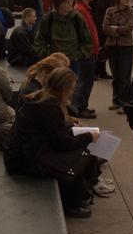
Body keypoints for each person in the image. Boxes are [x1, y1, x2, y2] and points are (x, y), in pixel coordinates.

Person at [11, 68, 100, 218]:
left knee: (80, 154)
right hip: (31, 159)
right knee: (82, 155)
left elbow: (49, 129)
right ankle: (72, 204)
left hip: (24, 151)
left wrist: (69, 126)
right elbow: (62, 143)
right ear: (64, 89)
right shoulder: (50, 106)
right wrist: (88, 136)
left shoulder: (41, 97)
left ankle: (80, 194)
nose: (72, 92)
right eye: (72, 89)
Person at [33, 0, 93, 92]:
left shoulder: (77, 18)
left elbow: (87, 40)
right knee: (53, 91)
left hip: (73, 63)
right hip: (54, 64)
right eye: (66, 2)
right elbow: (39, 41)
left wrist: (79, 55)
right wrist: (48, 55)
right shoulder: (48, 19)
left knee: (72, 92)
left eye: (70, 0)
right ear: (58, 4)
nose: (70, 4)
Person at [103, 0, 133, 112]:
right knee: (116, 76)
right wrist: (116, 31)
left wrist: (115, 29)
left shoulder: (131, 12)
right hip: (112, 46)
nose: (127, 0)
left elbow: (129, 28)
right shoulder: (110, 11)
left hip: (126, 46)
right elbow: (105, 27)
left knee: (124, 76)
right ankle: (116, 100)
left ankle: (124, 103)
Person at [72, 0, 100, 118]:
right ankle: (79, 107)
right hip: (86, 52)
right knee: (84, 81)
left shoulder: (84, 9)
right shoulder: (80, 10)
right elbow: (83, 33)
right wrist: (87, 49)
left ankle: (82, 106)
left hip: (89, 50)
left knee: (86, 80)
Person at [91, 0, 116, 78]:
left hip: (106, 27)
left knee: (105, 50)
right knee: (96, 49)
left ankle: (102, 71)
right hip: (97, 27)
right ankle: (94, 71)